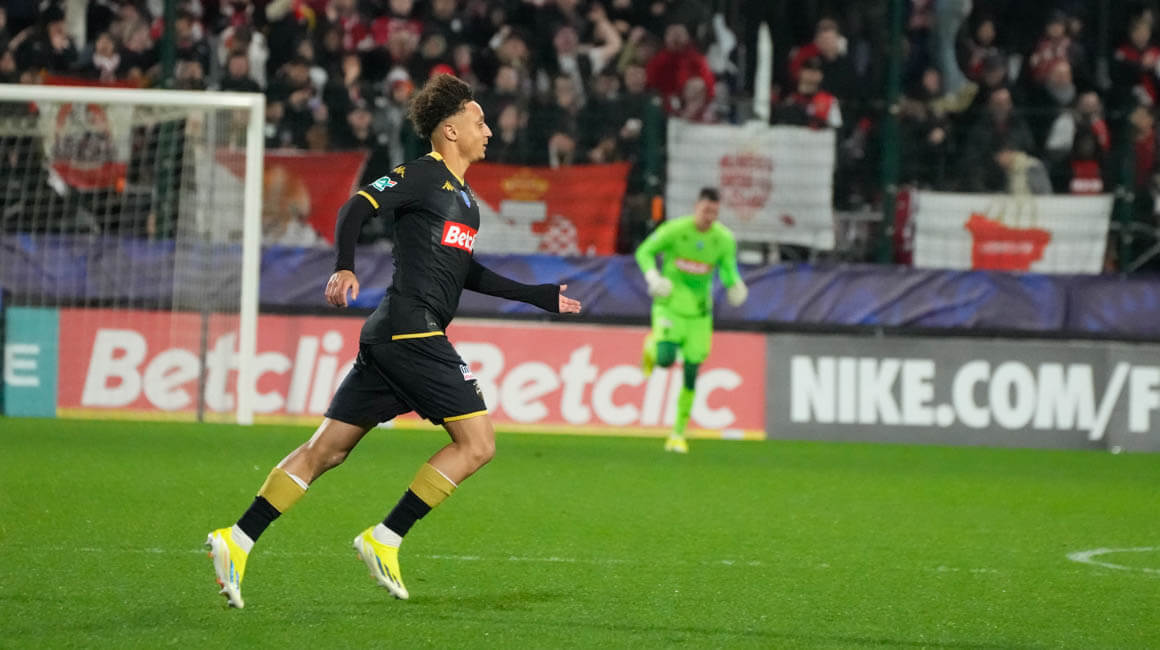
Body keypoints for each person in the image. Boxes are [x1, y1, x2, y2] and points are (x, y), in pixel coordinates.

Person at [206, 74, 582, 608]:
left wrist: (537, 295)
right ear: (450, 131)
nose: (489, 131)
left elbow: (464, 271)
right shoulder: (422, 175)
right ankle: (385, 537)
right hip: (412, 330)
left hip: (393, 336)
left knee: (327, 451)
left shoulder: (465, 200)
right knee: (478, 444)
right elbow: (354, 208)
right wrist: (344, 266)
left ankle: (237, 538)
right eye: (479, 122)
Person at [634, 187, 746, 454]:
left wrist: (735, 284)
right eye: (706, 211)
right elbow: (644, 251)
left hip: (699, 313)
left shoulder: (723, 239)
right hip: (670, 305)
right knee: (665, 359)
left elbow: (727, 268)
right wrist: (653, 277)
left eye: (714, 213)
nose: (709, 217)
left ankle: (678, 434)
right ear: (697, 207)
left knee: (692, 371)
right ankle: (652, 346)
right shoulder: (675, 230)